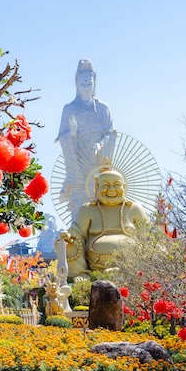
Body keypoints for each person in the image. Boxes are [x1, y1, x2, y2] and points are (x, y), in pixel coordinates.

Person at [61, 165, 149, 280]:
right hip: (97, 265)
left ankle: (146, 276)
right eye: (105, 185)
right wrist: (68, 236)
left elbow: (149, 234)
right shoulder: (88, 209)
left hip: (132, 265)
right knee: (68, 243)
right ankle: (81, 275)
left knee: (159, 247)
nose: (111, 190)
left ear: (124, 187)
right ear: (96, 188)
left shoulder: (134, 208)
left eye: (117, 185)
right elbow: (77, 232)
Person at [56, 60, 116, 213]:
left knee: (101, 199)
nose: (86, 83)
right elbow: (63, 139)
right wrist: (73, 133)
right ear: (76, 82)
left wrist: (101, 145)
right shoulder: (69, 109)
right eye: (82, 80)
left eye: (89, 81)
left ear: (94, 82)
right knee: (80, 204)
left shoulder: (103, 108)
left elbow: (111, 134)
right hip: (78, 162)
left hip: (98, 160)